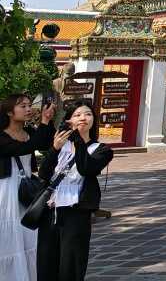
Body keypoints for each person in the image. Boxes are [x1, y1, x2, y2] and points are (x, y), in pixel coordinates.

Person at [36, 100, 114, 281]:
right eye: (77, 115)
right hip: (50, 209)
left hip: (76, 212)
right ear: (70, 120)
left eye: (87, 114)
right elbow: (44, 173)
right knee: (46, 263)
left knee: (71, 264)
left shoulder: (101, 149)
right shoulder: (60, 144)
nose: (82, 118)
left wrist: (79, 140)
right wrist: (55, 149)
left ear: (93, 120)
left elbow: (87, 168)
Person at [1, 93, 57, 281]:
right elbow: (22, 148)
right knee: (9, 232)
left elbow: (47, 143)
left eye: (28, 105)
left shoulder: (30, 131)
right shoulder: (2, 136)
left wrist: (47, 120)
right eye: (22, 106)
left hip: (27, 188)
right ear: (9, 112)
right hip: (6, 189)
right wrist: (42, 123)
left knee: (29, 231)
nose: (27, 109)